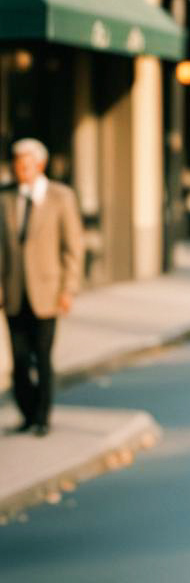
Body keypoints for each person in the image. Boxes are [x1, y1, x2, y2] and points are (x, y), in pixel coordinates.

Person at [1, 138, 85, 437]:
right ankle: (26, 411)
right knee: (20, 360)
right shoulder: (6, 198)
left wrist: (68, 289)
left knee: (43, 354)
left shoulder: (61, 197)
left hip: (47, 293)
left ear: (39, 165)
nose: (19, 169)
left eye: (25, 164)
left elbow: (73, 247)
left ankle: (42, 416)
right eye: (16, 163)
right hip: (13, 292)